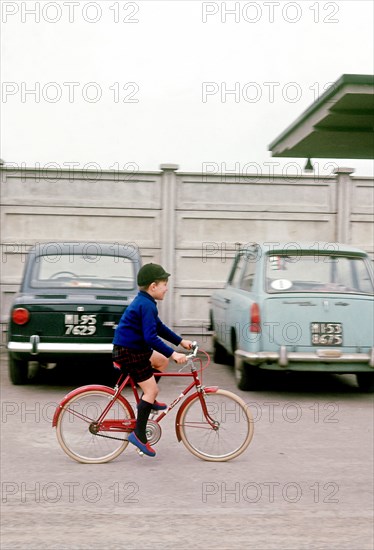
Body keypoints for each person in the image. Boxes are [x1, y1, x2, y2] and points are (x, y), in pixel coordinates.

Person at [112, 263, 193, 457]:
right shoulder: (146, 305)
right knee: (151, 388)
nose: (167, 288)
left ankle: (148, 401)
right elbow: (150, 337)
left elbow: (159, 327)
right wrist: (173, 354)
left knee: (160, 362)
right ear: (153, 286)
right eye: (164, 284)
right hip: (130, 352)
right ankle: (139, 435)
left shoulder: (146, 302)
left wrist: (181, 341)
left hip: (132, 349)